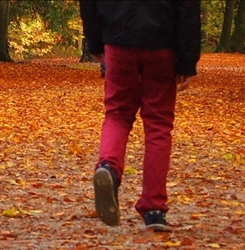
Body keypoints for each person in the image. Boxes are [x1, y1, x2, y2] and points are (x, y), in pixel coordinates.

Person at [80, 0, 201, 231]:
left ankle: (108, 167)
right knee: (158, 124)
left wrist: (95, 42)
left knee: (117, 113)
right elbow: (188, 7)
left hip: (118, 39)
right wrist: (187, 60)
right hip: (162, 44)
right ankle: (154, 209)